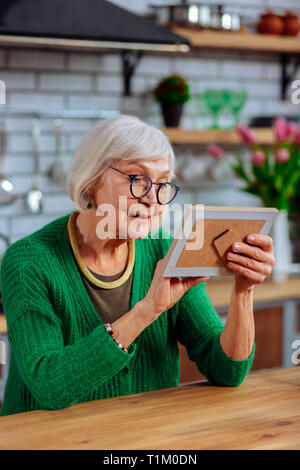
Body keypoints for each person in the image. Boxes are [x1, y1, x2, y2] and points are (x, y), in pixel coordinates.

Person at [0, 115, 275, 416]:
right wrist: (146, 312)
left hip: (142, 440)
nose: (153, 200)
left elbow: (227, 371)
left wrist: (244, 289)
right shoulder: (29, 261)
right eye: (138, 180)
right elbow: (48, 386)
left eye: (162, 184)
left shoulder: (163, 249)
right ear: (92, 182)